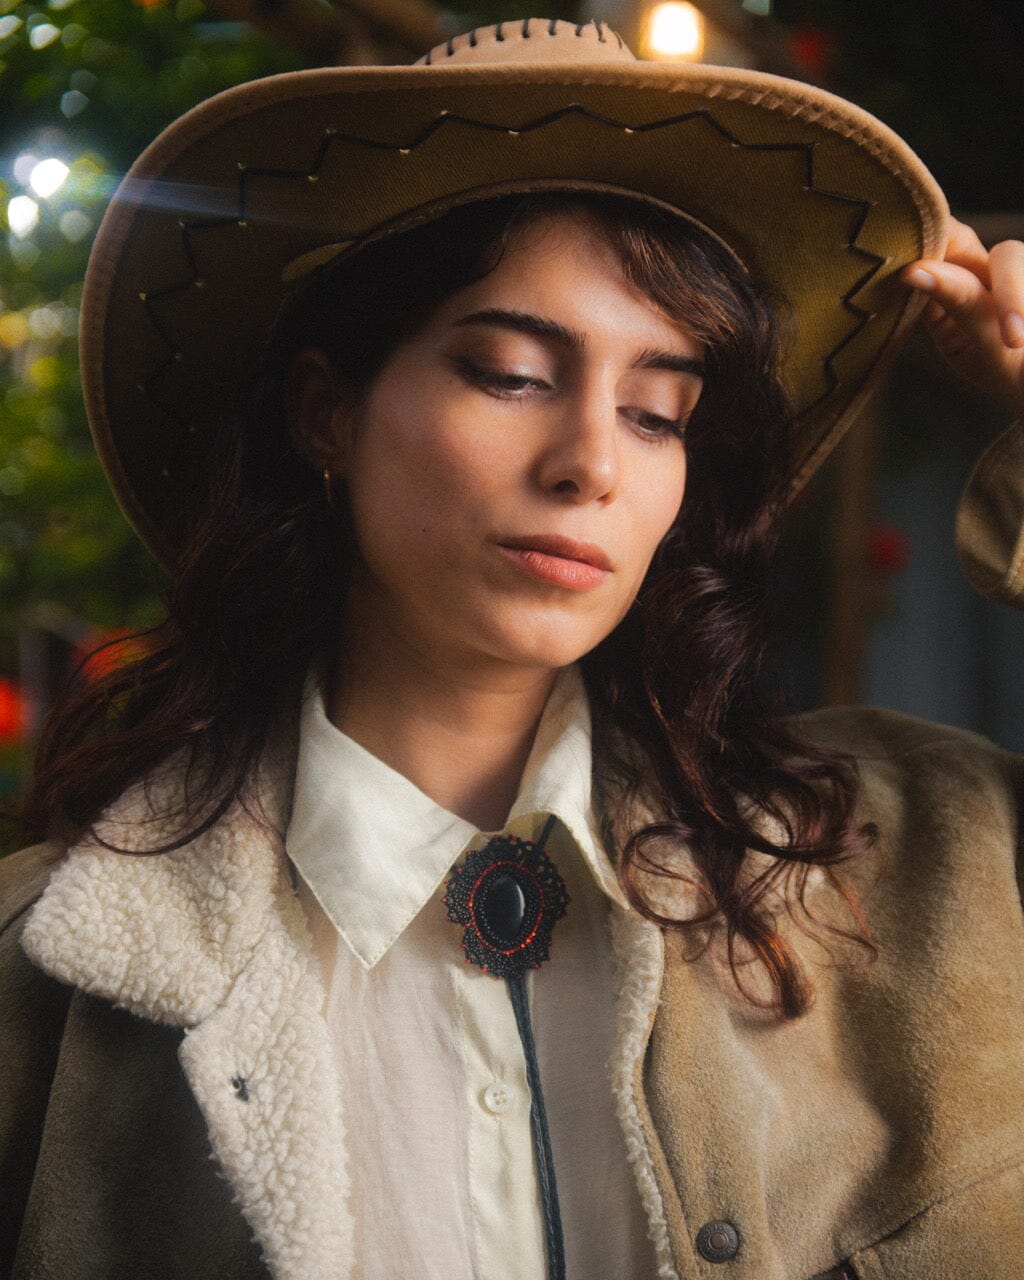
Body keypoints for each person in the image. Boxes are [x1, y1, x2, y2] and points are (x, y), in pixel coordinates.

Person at [2, 17, 1024, 1280]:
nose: (592, 462)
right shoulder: (50, 988)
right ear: (327, 413)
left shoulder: (928, 858)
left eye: (656, 412)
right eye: (510, 374)